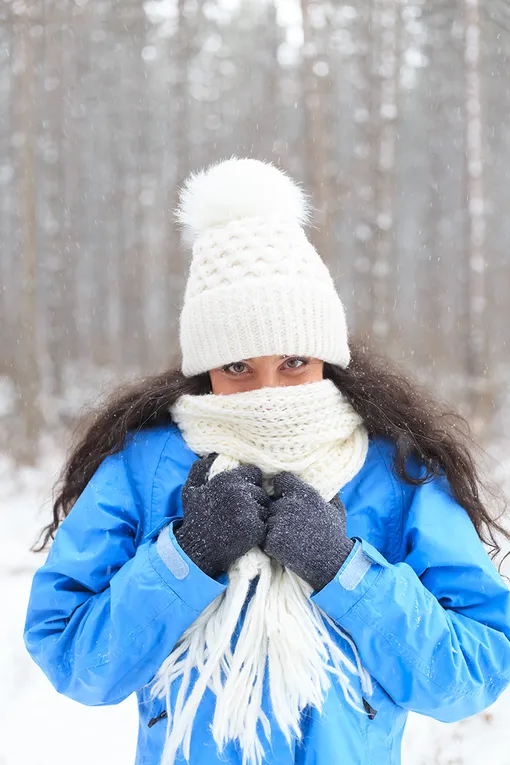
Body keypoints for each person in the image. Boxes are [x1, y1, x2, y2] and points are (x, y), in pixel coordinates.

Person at [24, 158, 510, 765]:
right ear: (205, 370)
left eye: (294, 362)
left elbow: (472, 673)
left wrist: (344, 571)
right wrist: (185, 557)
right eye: (237, 368)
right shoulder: (143, 468)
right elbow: (74, 660)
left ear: (328, 358)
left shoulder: (396, 471)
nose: (270, 392)